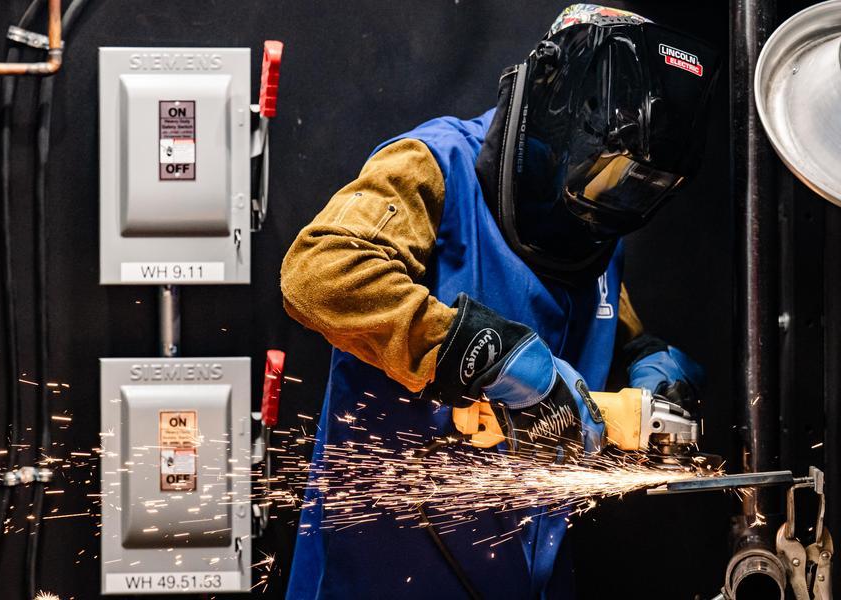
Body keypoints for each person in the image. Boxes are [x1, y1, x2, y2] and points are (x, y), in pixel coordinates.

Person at [281, 5, 718, 599]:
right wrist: (486, 356)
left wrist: (650, 361)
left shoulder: (592, 225)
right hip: (387, 574)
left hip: (529, 575)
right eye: (605, 173)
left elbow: (607, 319)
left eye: (630, 186)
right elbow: (320, 275)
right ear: (551, 107)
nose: (608, 197)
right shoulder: (431, 166)